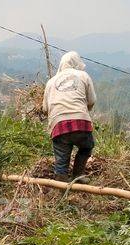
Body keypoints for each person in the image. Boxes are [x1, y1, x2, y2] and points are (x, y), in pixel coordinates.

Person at [42, 51, 97, 184]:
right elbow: (92, 100)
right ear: (77, 63)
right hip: (81, 123)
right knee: (86, 147)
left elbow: (45, 109)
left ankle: (61, 188)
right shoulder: (83, 75)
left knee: (61, 159)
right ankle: (78, 176)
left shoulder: (51, 82)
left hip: (59, 126)